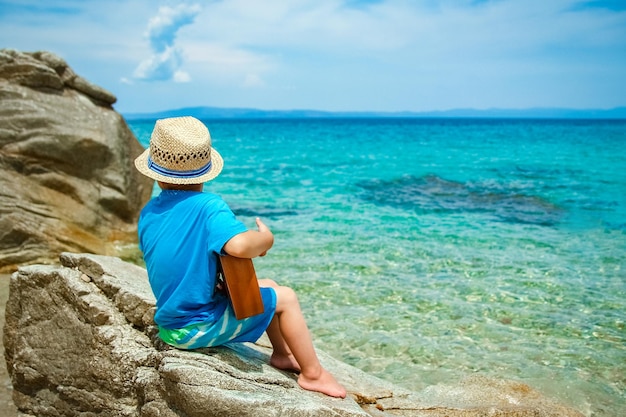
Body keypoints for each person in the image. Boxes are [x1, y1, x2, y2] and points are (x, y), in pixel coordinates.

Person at [134, 116, 346, 398]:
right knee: (287, 298)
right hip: (195, 328)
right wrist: (266, 239)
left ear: (157, 173)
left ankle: (282, 354)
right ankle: (314, 374)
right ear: (205, 172)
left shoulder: (149, 211)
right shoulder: (208, 206)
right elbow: (240, 246)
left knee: (267, 285)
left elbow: (178, 262)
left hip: (171, 323)